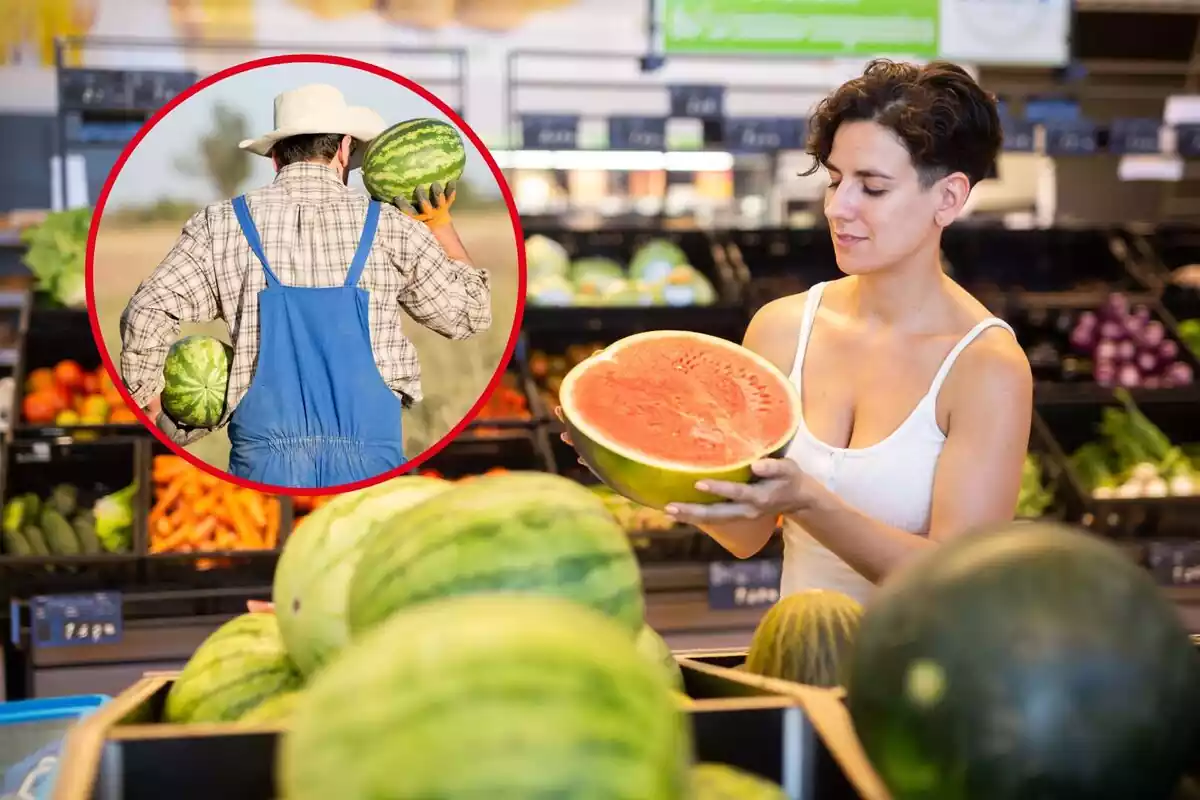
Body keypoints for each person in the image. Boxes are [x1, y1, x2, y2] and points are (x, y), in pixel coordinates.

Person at [560, 60, 1033, 606]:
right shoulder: (784, 327)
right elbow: (746, 535)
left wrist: (811, 502)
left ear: (948, 198)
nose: (837, 207)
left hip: (918, 684)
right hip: (797, 669)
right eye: (835, 180)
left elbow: (962, 585)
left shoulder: (986, 366)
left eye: (872, 188)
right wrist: (639, 464)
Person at [119, 83, 492, 489]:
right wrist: (439, 225)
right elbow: (469, 315)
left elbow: (148, 309)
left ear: (275, 156)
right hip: (372, 465)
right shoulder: (389, 226)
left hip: (263, 467)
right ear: (345, 149)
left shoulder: (222, 223)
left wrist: (153, 405)